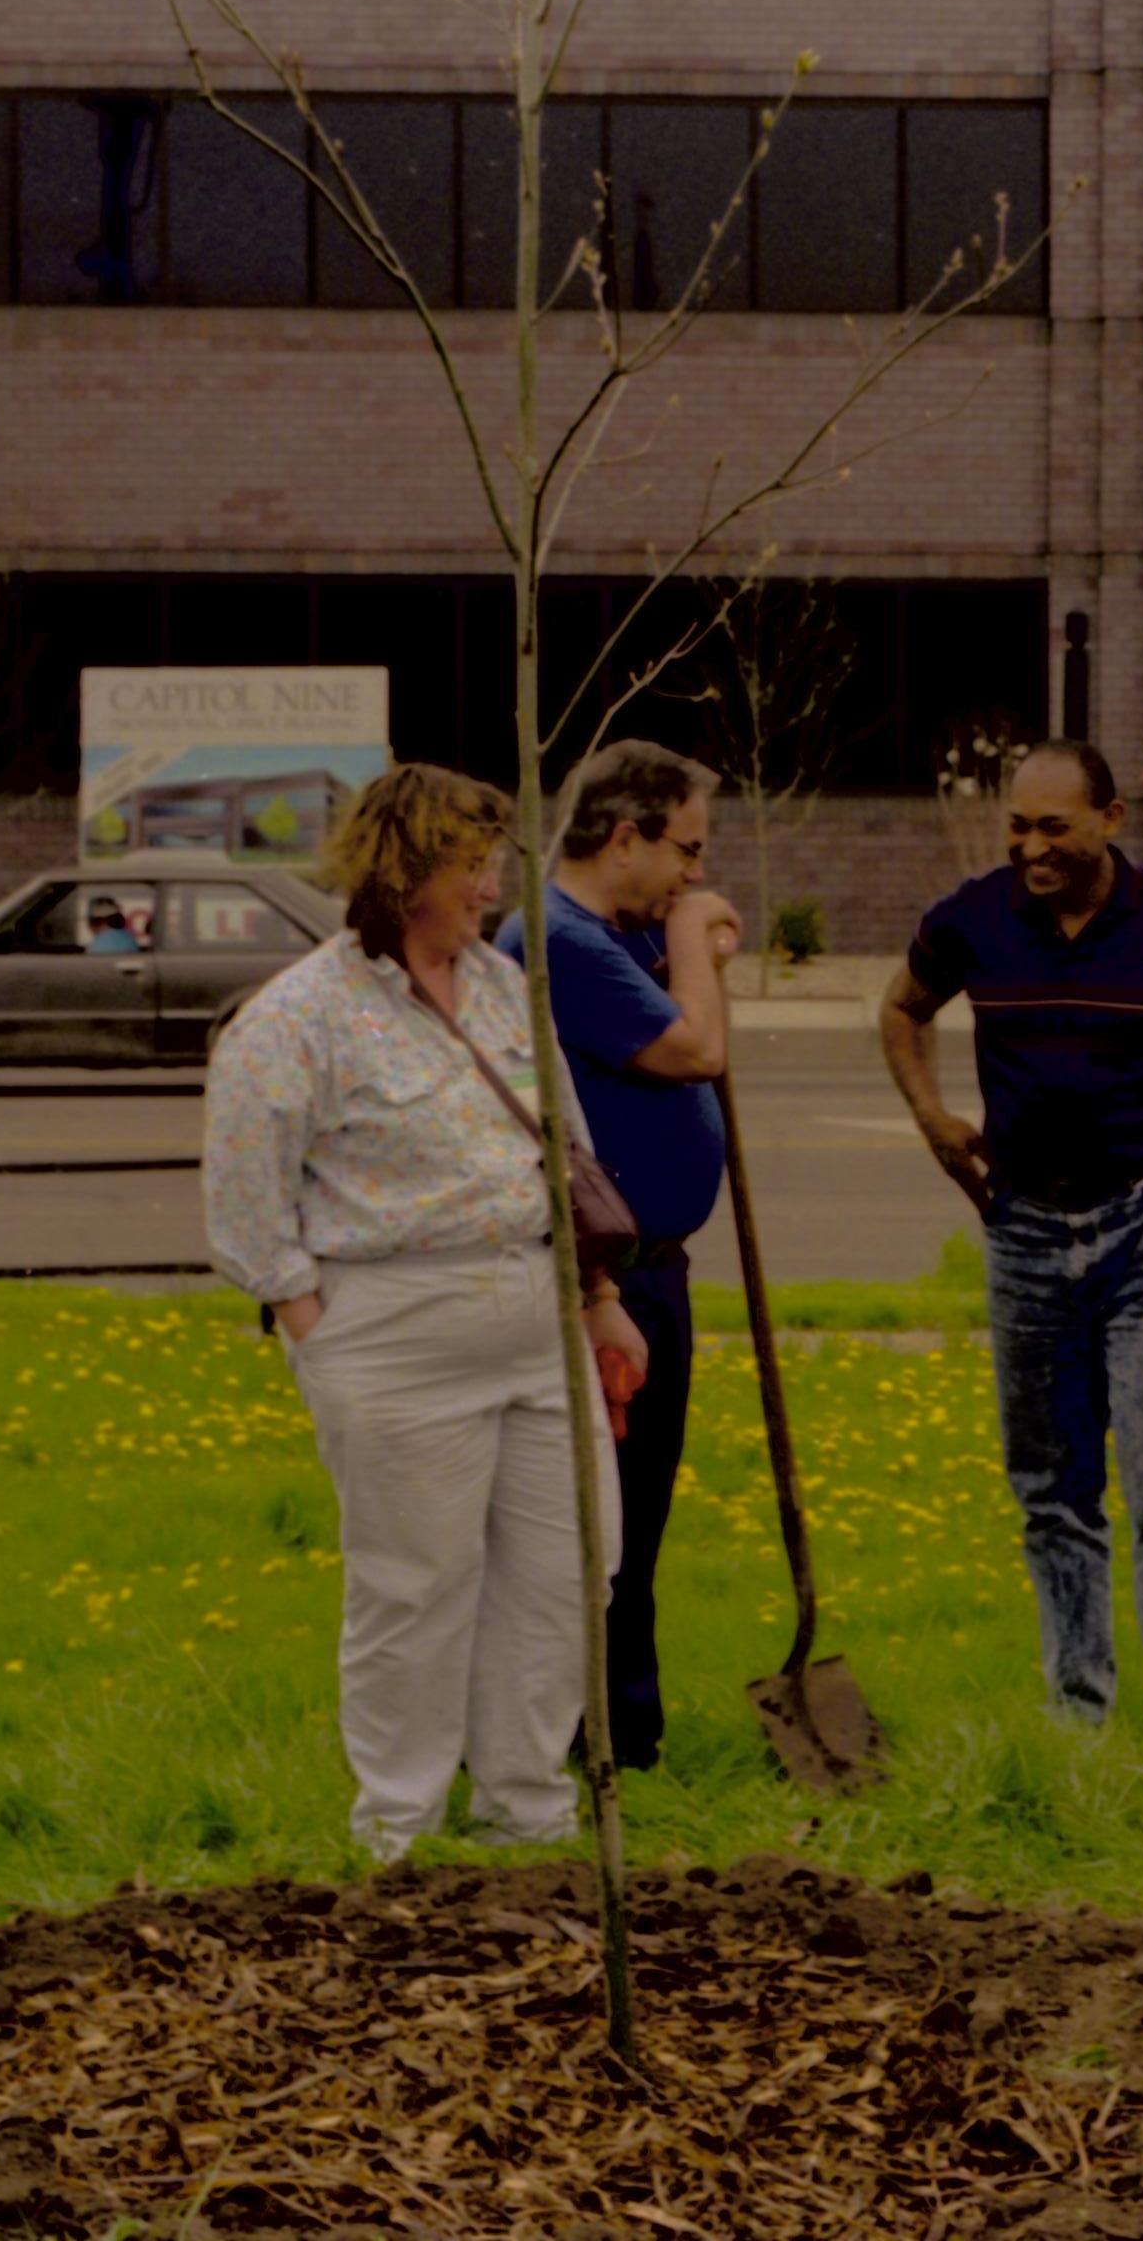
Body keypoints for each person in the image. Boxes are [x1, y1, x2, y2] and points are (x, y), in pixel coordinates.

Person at [203, 762, 651, 1859]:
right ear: (406, 872)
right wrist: (315, 1323)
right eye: (472, 865)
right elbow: (244, 1196)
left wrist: (599, 1298)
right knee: (416, 1584)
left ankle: (526, 1811)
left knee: (566, 1569)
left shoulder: (503, 987)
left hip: (537, 1311)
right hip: (393, 1330)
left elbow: (568, 1147)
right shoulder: (300, 1016)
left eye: (494, 862)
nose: (492, 886)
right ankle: (397, 1828)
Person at [881, 741, 1143, 1726]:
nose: (1030, 846)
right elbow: (902, 1007)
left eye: (1053, 825)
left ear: (1109, 819)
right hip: (1021, 1228)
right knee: (1052, 1491)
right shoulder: (973, 918)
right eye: (1018, 826)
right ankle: (1078, 1716)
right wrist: (932, 1118)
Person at [494, 739, 743, 1773]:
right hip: (609, 1276)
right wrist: (692, 933)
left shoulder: (616, 933)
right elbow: (696, 1049)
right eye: (684, 851)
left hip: (654, 1265)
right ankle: (585, 1732)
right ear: (626, 837)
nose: (694, 873)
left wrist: (690, 943)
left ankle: (622, 1728)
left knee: (636, 1513)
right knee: (598, 1518)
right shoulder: (559, 943)